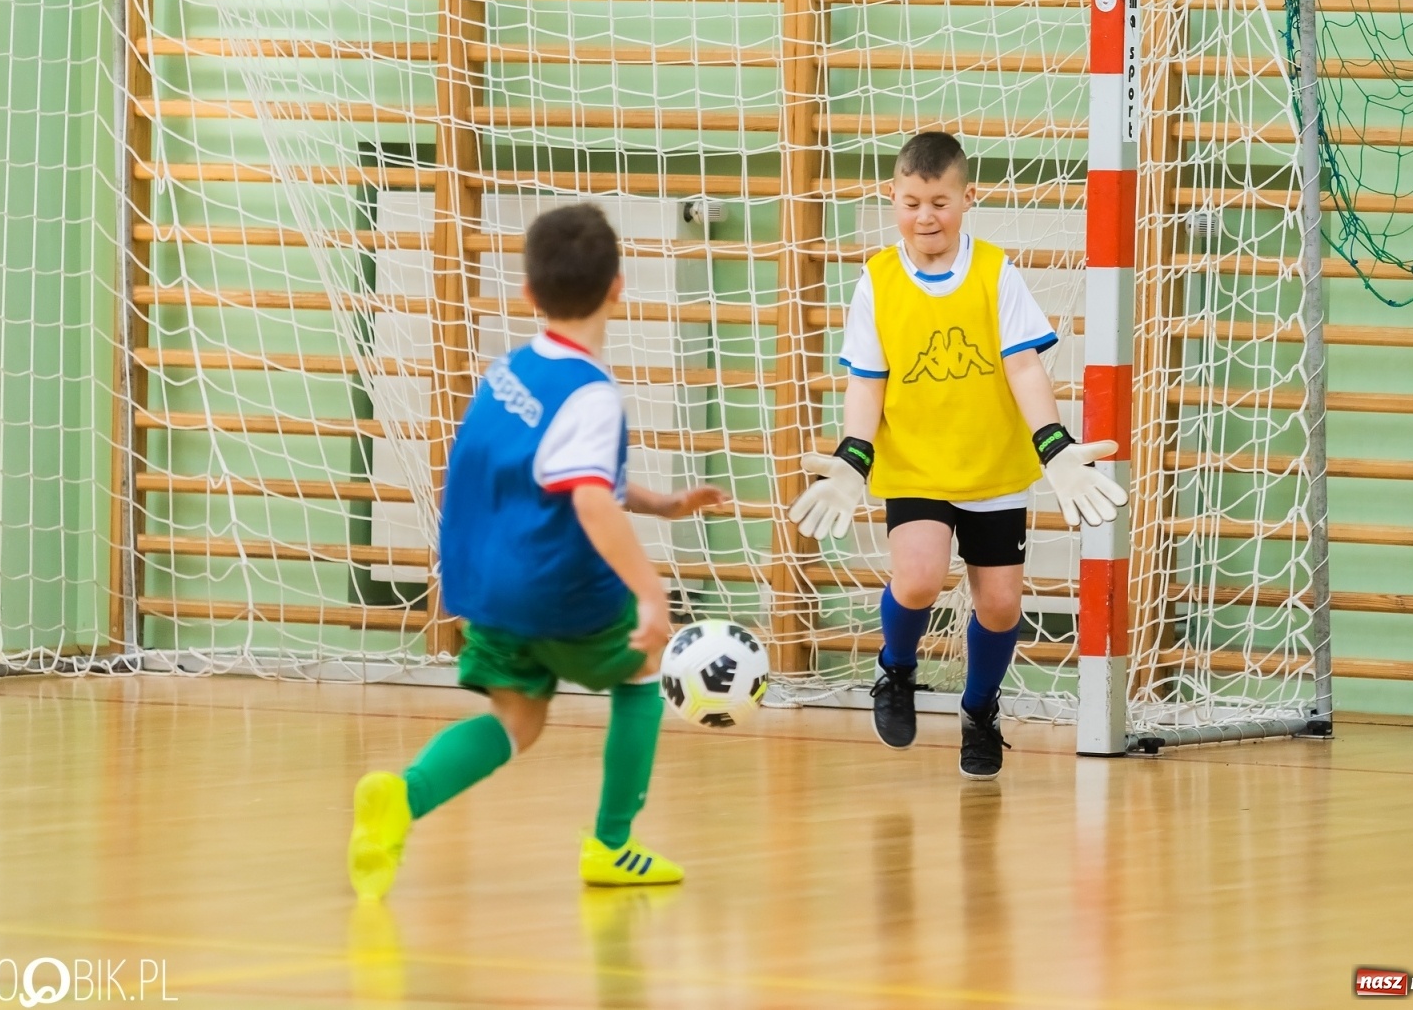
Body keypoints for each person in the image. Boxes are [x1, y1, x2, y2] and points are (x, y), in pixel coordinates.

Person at [347, 203, 725, 899]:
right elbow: (585, 498)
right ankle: (612, 845)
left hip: (484, 585)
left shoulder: (508, 372)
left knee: (517, 717)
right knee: (644, 666)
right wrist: (649, 591)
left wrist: (662, 502)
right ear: (618, 286)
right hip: (552, 589)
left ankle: (401, 797)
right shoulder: (592, 394)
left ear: (527, 293)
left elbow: (550, 473)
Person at [788, 131, 1126, 779]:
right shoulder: (878, 280)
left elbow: (1024, 367)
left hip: (992, 465)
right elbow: (867, 378)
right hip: (915, 462)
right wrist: (855, 456)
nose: (925, 216)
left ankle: (979, 709)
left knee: (999, 604)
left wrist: (1053, 447)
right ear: (893, 198)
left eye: (939, 201)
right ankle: (896, 668)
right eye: (911, 201)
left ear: (968, 198)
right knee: (917, 576)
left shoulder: (996, 271)